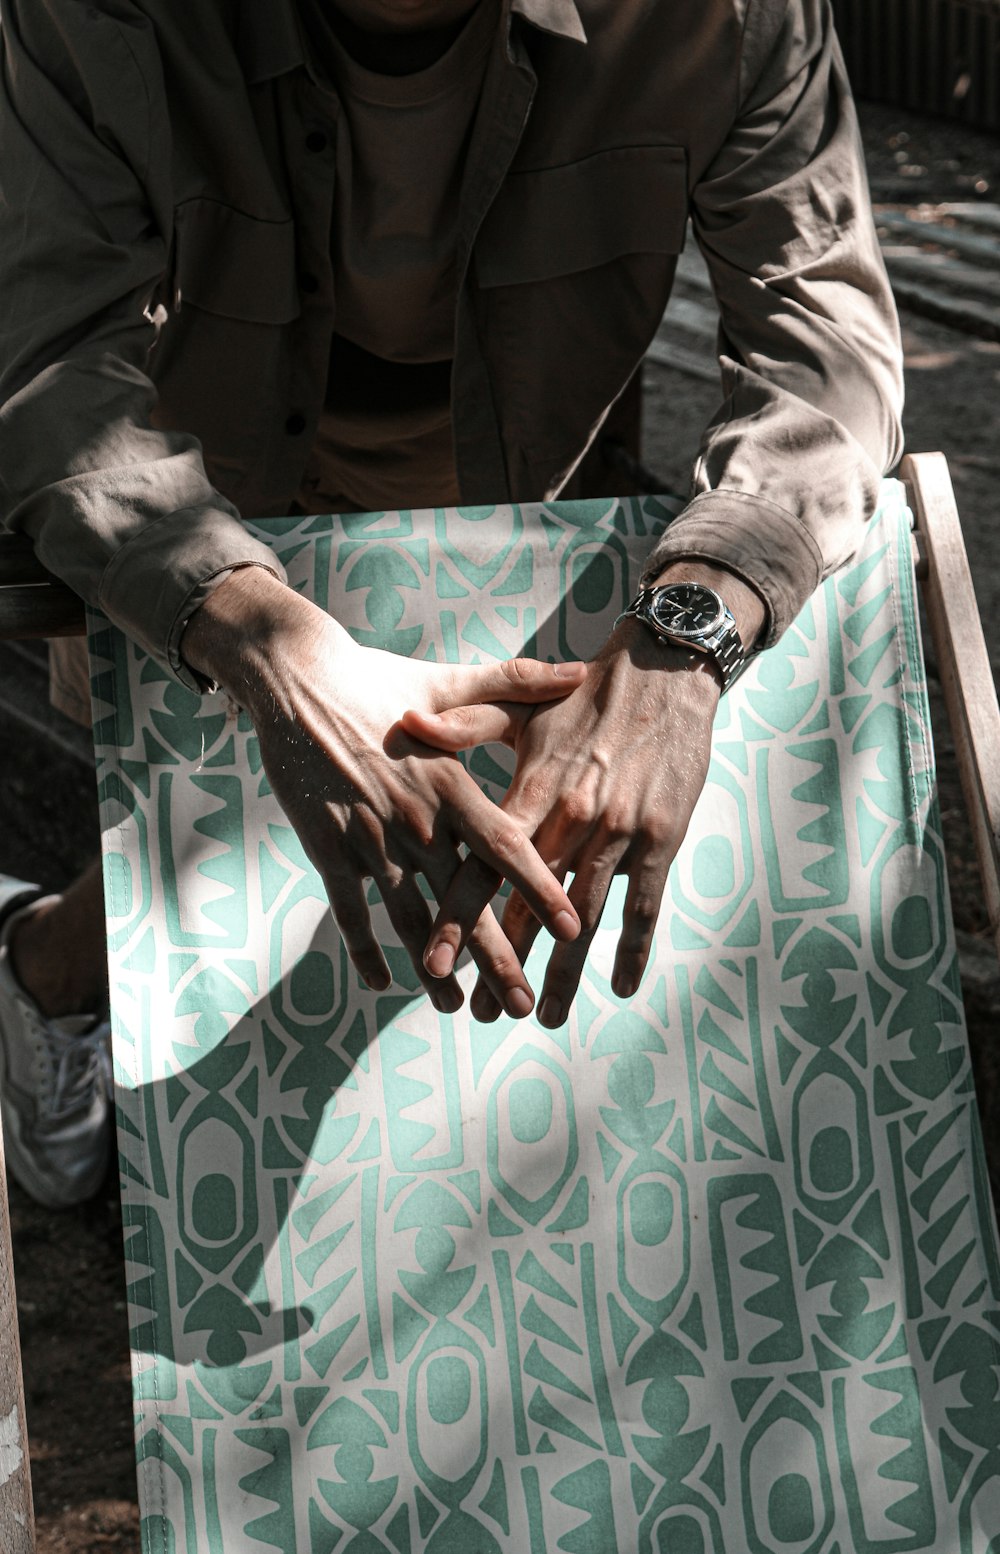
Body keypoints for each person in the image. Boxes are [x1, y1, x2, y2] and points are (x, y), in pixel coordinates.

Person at [0, 0, 903, 1205]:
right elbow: (52, 361)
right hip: (180, 496)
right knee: (189, 844)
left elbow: (825, 346)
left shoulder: (728, 17)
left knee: (469, 838)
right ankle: (41, 977)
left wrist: (687, 637)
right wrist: (271, 654)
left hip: (492, 497)